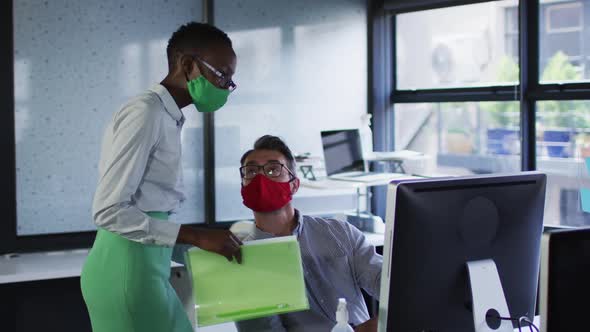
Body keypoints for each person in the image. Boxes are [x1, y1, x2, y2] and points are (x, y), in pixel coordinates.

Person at [80, 22, 242, 332]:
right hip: (127, 271)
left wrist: (199, 244)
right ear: (187, 65)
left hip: (148, 266)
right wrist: (196, 235)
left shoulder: (167, 116)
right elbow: (108, 210)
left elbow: (151, 204)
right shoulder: (146, 113)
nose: (225, 87)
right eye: (221, 75)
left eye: (230, 80)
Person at [235, 135, 383, 332]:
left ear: (294, 185)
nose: (261, 179)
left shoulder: (340, 233)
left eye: (273, 170)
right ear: (243, 187)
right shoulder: (242, 259)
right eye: (251, 171)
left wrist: (386, 320)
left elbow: (387, 282)